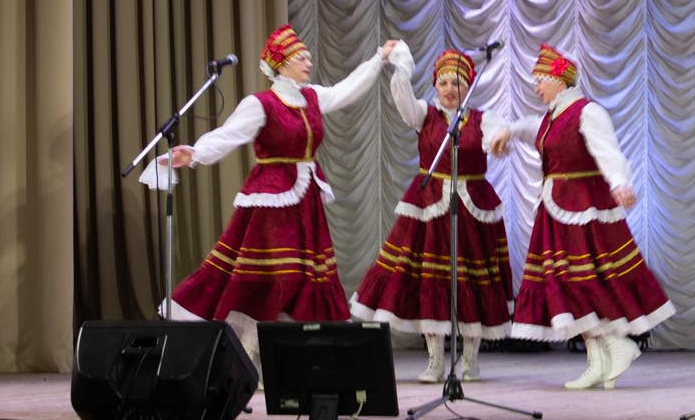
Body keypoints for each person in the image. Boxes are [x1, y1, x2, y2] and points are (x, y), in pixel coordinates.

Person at [151, 25, 399, 380]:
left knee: (302, 280)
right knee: (271, 278)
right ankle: (250, 357)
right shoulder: (261, 103)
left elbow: (346, 91)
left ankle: (281, 357)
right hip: (271, 203)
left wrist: (378, 59)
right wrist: (196, 152)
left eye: (307, 55)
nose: (308, 60)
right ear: (280, 63)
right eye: (300, 56)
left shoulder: (312, 97)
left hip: (305, 202)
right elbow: (230, 134)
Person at [504, 43, 674, 389]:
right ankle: (598, 362)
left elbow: (606, 149)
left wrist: (620, 181)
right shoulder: (551, 118)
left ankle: (616, 344)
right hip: (557, 210)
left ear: (559, 80)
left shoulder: (587, 112)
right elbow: (528, 128)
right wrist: (505, 131)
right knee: (564, 283)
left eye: (540, 80)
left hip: (584, 210)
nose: (536, 87)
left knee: (581, 280)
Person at [350, 45, 515, 383]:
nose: (449, 89)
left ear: (468, 86)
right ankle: (435, 359)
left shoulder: (484, 119)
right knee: (430, 280)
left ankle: (470, 359)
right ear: (435, 86)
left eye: (456, 83)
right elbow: (402, 99)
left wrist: (499, 142)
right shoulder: (424, 114)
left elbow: (496, 137)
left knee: (470, 279)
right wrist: (400, 65)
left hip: (471, 206)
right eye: (443, 83)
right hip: (429, 206)